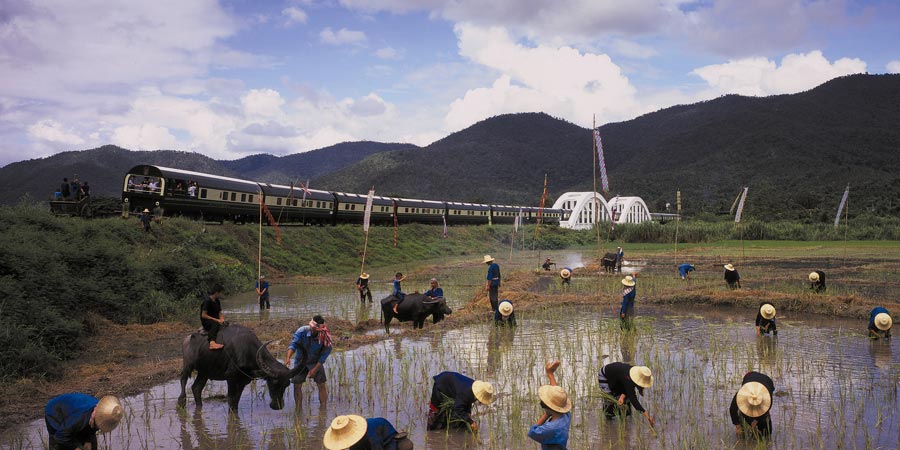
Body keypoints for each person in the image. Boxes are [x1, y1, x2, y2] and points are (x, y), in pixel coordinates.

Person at [45, 393, 123, 450]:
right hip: (55, 412)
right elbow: (60, 436)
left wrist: (88, 441)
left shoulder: (103, 413)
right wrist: (76, 448)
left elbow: (92, 428)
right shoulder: (79, 418)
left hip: (77, 414)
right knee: (59, 445)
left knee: (91, 445)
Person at [285, 315, 333, 407]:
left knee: (321, 384)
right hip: (300, 361)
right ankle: (298, 409)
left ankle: (323, 409)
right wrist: (288, 358)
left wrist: (314, 370)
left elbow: (323, 357)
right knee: (297, 384)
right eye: (311, 328)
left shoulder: (325, 337)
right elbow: (293, 345)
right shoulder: (302, 331)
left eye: (315, 329)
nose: (312, 330)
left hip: (315, 361)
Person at [427, 371, 494, 431]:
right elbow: (458, 408)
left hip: (451, 382)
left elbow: (468, 400)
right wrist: (470, 421)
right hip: (441, 384)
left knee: (459, 415)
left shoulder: (474, 388)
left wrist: (468, 413)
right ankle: (429, 433)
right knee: (435, 411)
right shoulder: (465, 392)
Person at [528, 360, 571, 450]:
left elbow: (532, 432)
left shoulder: (549, 428)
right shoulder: (566, 416)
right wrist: (550, 374)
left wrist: (546, 415)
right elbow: (557, 396)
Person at [597, 362, 655, 427]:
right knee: (610, 399)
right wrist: (647, 416)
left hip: (618, 378)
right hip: (605, 376)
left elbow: (626, 386)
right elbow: (633, 399)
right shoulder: (629, 378)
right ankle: (608, 421)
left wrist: (622, 396)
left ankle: (623, 416)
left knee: (624, 399)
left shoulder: (632, 376)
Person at [323, 415, 414, 450]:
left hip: (389, 442)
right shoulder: (356, 438)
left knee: (406, 446)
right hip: (370, 442)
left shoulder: (371, 436)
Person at [729, 371, 775, 438]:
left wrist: (755, 421)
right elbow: (733, 409)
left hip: (767, 381)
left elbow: (765, 411)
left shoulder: (767, 398)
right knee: (743, 414)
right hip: (750, 376)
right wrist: (737, 425)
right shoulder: (741, 394)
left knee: (766, 433)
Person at [200, 285, 225, 350]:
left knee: (226, 324)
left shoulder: (217, 301)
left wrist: (222, 319)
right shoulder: (207, 301)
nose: (221, 294)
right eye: (221, 293)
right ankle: (212, 343)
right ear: (216, 293)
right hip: (207, 321)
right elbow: (203, 315)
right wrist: (217, 320)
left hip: (216, 320)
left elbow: (220, 312)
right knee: (214, 324)